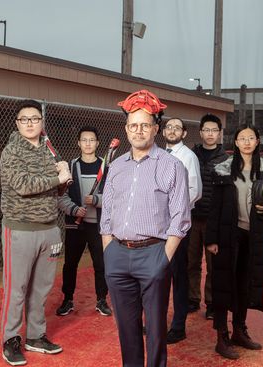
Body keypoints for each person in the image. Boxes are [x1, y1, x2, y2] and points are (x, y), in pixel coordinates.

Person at [101, 90, 191, 367]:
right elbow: (107, 212)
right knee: (126, 328)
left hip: (153, 254)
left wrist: (164, 258)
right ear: (126, 129)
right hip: (117, 253)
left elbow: (181, 217)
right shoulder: (116, 166)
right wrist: (108, 250)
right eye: (133, 125)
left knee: (154, 328)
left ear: (155, 129)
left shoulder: (172, 166)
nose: (138, 130)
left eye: (144, 125)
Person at [0, 99, 72, 366]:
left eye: (35, 119)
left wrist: (63, 180)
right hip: (20, 229)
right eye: (24, 119)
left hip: (50, 229)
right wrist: (58, 179)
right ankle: (10, 340)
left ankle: (35, 336)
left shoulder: (47, 150)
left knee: (41, 289)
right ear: (17, 123)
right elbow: (23, 185)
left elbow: (56, 190)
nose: (30, 124)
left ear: (42, 122)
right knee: (16, 289)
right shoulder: (11, 151)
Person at [205, 123, 263, 360]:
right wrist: (212, 239)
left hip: (254, 236)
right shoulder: (223, 170)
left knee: (245, 284)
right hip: (228, 235)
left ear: (258, 141)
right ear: (235, 142)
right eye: (242, 138)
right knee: (223, 284)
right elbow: (214, 207)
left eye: (251, 138)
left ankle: (239, 330)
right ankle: (221, 336)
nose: (246, 142)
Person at [56, 126, 112, 317]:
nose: (88, 143)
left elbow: (115, 197)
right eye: (84, 140)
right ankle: (67, 299)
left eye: (92, 140)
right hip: (76, 224)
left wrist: (97, 200)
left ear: (97, 143)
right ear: (78, 143)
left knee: (101, 264)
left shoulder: (107, 168)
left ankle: (102, 300)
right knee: (70, 263)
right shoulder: (70, 167)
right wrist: (73, 209)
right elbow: (60, 196)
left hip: (98, 226)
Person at [162, 118, 202, 344]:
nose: (172, 130)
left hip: (176, 226)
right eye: (169, 127)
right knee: (158, 276)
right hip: (157, 226)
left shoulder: (188, 156)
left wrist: (173, 210)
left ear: (184, 133)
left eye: (177, 127)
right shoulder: (159, 154)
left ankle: (178, 326)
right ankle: (159, 322)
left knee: (178, 276)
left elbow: (194, 191)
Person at [188, 113, 228, 318]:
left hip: (215, 219)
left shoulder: (226, 159)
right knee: (191, 261)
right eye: (207, 130)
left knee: (214, 265)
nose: (210, 134)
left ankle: (212, 303)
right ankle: (192, 299)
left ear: (219, 133)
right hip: (193, 217)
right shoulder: (191, 155)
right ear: (201, 132)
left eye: (214, 130)